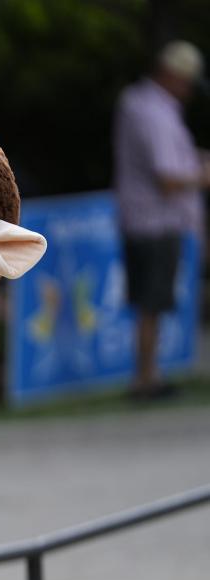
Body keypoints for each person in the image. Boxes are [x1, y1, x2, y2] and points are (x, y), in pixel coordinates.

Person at [112, 39, 210, 400]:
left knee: (150, 302)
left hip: (145, 218)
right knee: (152, 302)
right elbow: (168, 177)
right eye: (186, 81)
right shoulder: (151, 110)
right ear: (171, 74)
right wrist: (203, 175)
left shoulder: (142, 103)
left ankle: (148, 375)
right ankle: (146, 379)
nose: (188, 91)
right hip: (154, 221)